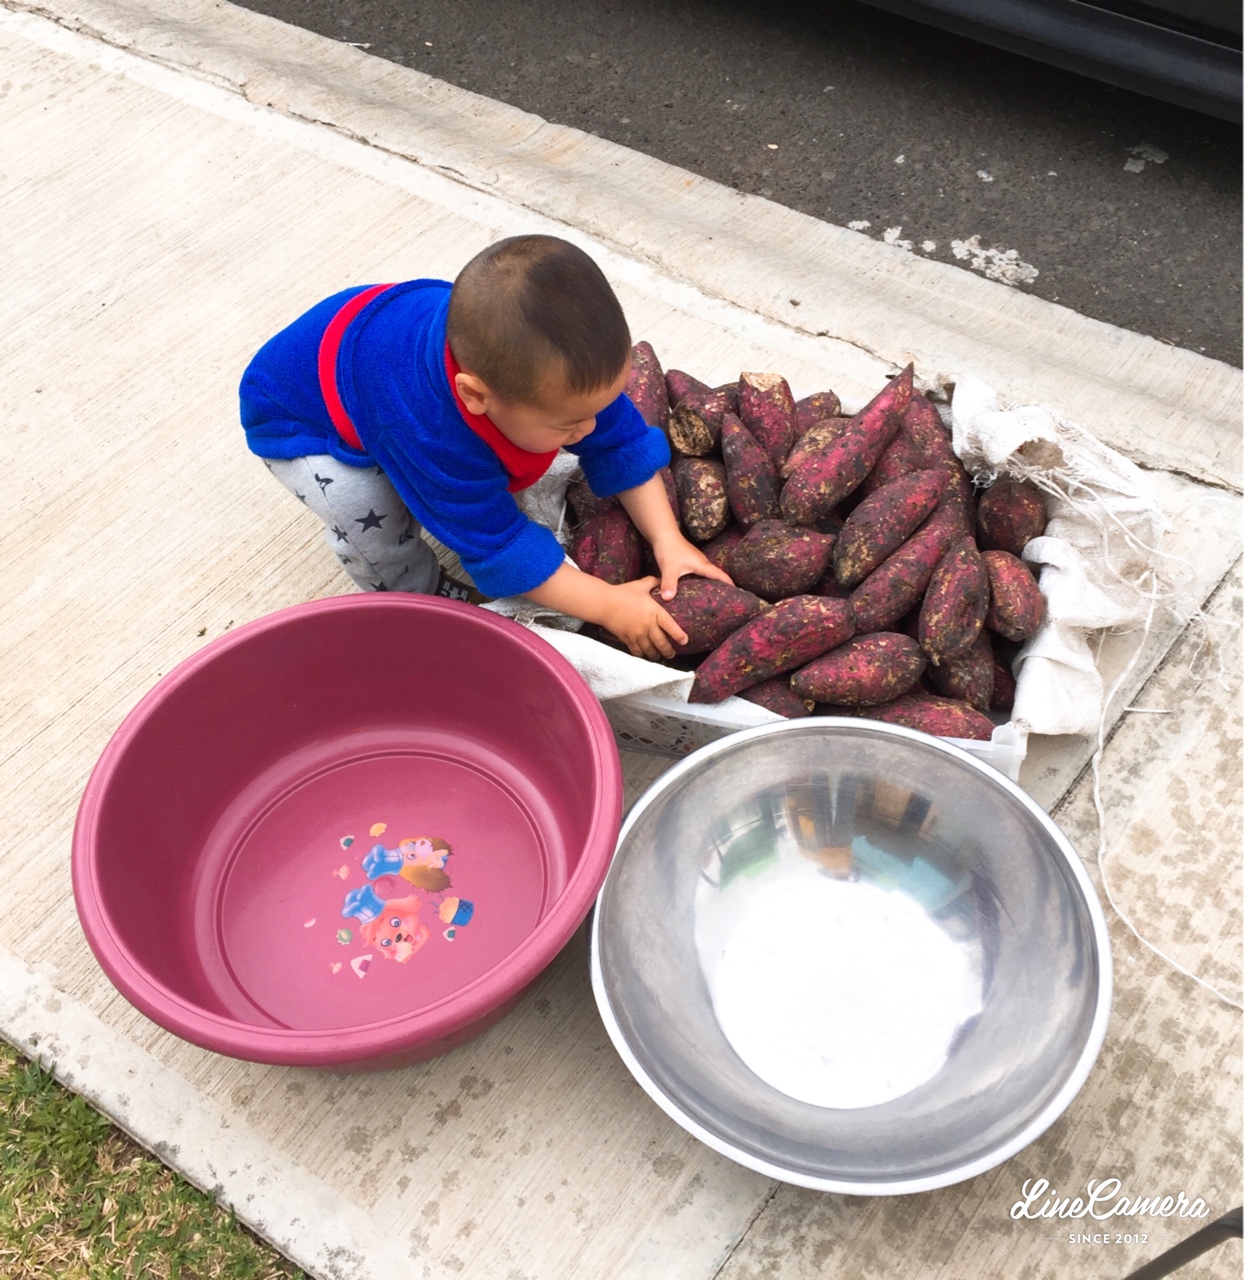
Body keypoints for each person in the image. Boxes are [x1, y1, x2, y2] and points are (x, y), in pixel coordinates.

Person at [239, 234, 730, 658]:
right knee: (364, 508)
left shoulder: (545, 378)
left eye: (595, 409)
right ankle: (413, 590)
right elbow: (496, 544)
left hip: (371, 348)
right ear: (475, 396)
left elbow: (620, 441)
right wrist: (607, 604)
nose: (587, 428)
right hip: (297, 418)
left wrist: (668, 538)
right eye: (567, 424)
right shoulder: (432, 434)